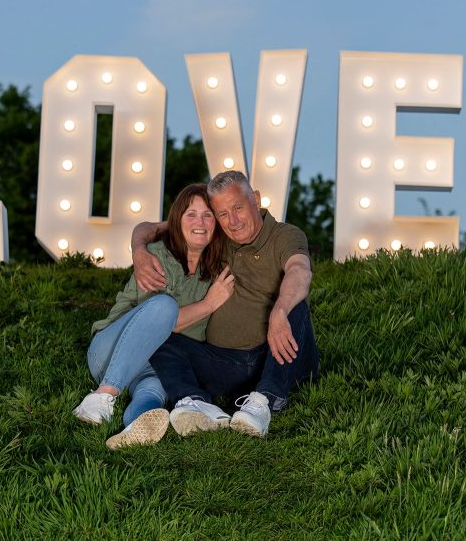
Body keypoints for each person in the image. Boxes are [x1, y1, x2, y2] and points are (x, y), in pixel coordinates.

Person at [131, 171, 319, 438]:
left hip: (279, 356)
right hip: (226, 364)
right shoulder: (217, 235)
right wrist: (138, 250)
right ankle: (196, 403)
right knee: (157, 333)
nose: (232, 221)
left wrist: (280, 311)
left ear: (255, 199)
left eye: (238, 208)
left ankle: (266, 400)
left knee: (294, 306)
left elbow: (300, 270)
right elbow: (151, 228)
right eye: (222, 214)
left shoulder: (284, 235)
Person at [73, 183, 235, 450]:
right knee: (164, 306)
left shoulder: (217, 269)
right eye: (191, 214)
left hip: (159, 363)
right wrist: (209, 304)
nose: (200, 222)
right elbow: (165, 321)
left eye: (208, 215)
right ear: (177, 221)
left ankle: (136, 426)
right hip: (112, 351)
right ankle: (102, 396)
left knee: (151, 393)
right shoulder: (158, 256)